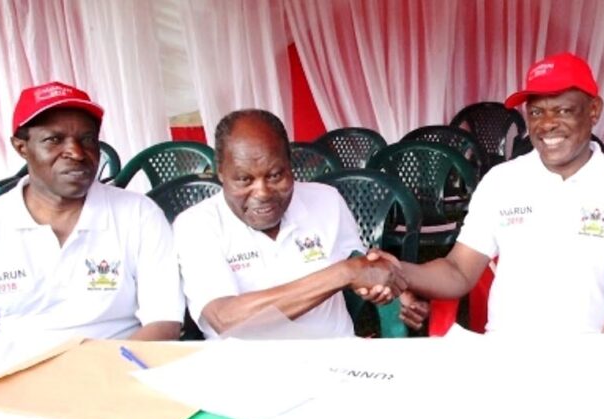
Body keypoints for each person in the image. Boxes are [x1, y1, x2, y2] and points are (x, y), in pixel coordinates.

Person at [369, 52, 604, 334]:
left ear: (594, 110)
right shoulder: (502, 181)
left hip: (587, 352)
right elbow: (458, 270)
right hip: (505, 353)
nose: (547, 124)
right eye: (536, 112)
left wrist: (596, 370)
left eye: (563, 110)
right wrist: (398, 271)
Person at [0, 81, 184, 342]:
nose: (76, 152)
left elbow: (164, 321)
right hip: (17, 372)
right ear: (21, 147)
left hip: (118, 368)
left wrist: (104, 374)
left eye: (87, 139)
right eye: (54, 140)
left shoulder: (138, 214)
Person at [172, 109, 425, 339]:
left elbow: (360, 265)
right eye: (244, 180)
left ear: (290, 165)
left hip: (338, 362)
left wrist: (387, 286)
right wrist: (345, 272)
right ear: (221, 172)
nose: (262, 192)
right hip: (248, 373)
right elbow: (226, 318)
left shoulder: (326, 200)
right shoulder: (196, 225)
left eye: (275, 175)